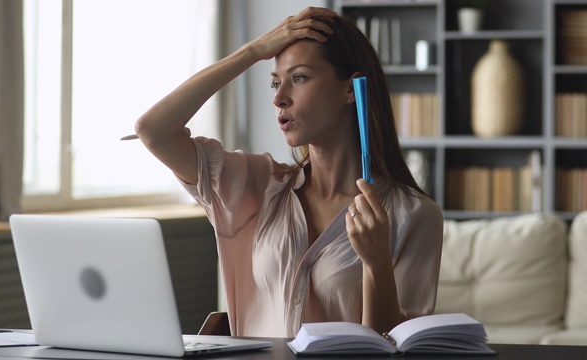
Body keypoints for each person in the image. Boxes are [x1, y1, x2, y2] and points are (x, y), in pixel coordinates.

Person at [133, 7, 443, 338]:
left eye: (299, 78)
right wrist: (252, 51)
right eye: (275, 83)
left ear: (352, 90)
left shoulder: (414, 216)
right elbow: (153, 130)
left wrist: (376, 265)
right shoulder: (256, 185)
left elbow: (396, 348)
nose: (279, 99)